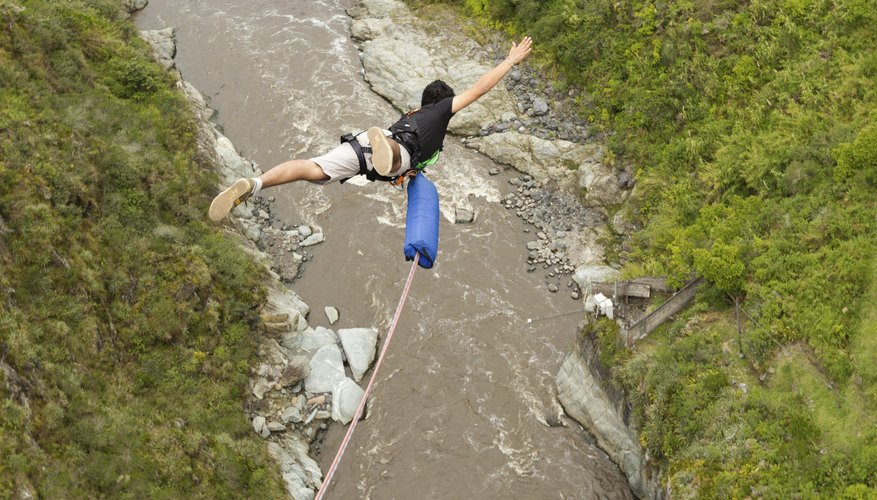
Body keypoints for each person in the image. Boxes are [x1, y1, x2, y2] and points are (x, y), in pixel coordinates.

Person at [208, 36, 533, 221]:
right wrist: (509, 62)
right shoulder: (439, 112)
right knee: (396, 157)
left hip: (367, 142)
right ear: (441, 103)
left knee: (313, 169)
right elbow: (478, 90)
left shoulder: (413, 113)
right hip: (394, 152)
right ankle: (386, 153)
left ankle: (256, 182)